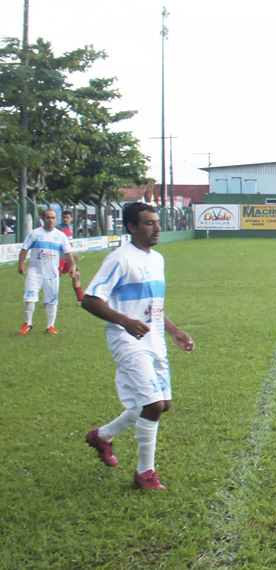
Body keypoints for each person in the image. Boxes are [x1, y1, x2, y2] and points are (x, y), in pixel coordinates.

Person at [82, 203, 195, 491]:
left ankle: (102, 436)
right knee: (152, 405)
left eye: (157, 222)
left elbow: (153, 306)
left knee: (163, 405)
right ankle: (145, 473)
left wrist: (174, 331)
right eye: (148, 223)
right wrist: (124, 321)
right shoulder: (119, 259)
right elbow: (90, 299)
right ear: (131, 227)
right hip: (128, 341)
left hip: (154, 339)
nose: (157, 228)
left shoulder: (156, 259)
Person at [18, 209, 77, 335]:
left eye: (52, 218)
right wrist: (21, 263)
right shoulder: (35, 233)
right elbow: (24, 249)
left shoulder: (60, 236)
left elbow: (67, 253)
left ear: (56, 219)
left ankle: (50, 326)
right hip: (35, 272)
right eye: (47, 217)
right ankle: (28, 323)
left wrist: (73, 266)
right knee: (29, 298)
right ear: (43, 219)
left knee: (52, 300)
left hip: (52, 274)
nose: (50, 220)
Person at [57, 211, 84, 304]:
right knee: (55, 279)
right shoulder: (58, 229)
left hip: (68, 258)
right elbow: (59, 244)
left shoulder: (72, 229)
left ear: (71, 218)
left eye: (67, 217)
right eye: (63, 217)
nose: (65, 219)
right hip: (59, 258)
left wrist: (71, 254)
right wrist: (71, 254)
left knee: (76, 275)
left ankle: (80, 300)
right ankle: (48, 301)